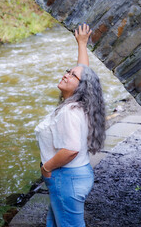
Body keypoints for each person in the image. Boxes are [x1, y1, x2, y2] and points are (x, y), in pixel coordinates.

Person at [34, 23, 106, 227]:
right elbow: (84, 73)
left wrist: (47, 168)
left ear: (81, 86)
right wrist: (82, 44)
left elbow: (71, 149)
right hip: (76, 175)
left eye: (72, 75)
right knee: (55, 223)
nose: (66, 74)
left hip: (67, 178)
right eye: (68, 71)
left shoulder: (69, 111)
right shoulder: (83, 103)